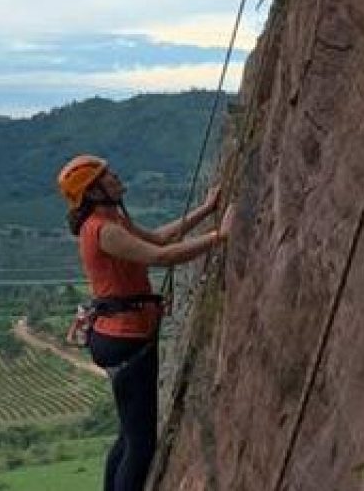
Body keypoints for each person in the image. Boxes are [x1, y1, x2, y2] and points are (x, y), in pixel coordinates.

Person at [57, 153, 234, 491]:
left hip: (117, 336)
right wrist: (220, 237)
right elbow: (160, 257)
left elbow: (158, 238)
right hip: (126, 338)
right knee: (141, 445)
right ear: (94, 193)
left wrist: (207, 211)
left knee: (128, 434)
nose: (117, 178)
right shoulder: (104, 230)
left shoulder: (110, 219)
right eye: (109, 177)